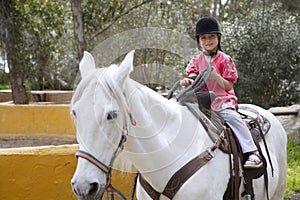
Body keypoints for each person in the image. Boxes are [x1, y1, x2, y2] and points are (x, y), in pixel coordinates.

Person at [180, 15, 263, 169]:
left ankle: (252, 152)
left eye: (211, 36)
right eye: (203, 38)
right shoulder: (196, 60)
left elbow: (228, 86)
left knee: (232, 118)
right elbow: (193, 77)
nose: (208, 41)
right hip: (202, 101)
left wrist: (215, 77)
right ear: (198, 41)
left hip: (221, 100)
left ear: (218, 38)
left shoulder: (225, 60)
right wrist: (188, 81)